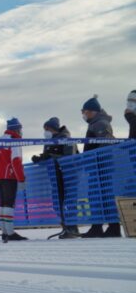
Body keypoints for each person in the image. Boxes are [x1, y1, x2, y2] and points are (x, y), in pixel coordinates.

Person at [80, 96, 120, 237]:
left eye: (84, 112)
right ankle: (98, 227)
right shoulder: (95, 123)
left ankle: (113, 227)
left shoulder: (100, 123)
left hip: (101, 166)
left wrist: (96, 160)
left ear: (92, 111)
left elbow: (106, 144)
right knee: (97, 197)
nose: (83, 115)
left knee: (103, 196)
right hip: (97, 166)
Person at [32, 117, 79, 238]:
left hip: (68, 175)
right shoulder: (49, 141)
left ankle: (72, 228)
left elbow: (69, 157)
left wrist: (49, 156)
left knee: (69, 202)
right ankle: (65, 226)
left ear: (52, 128)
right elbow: (50, 157)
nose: (45, 131)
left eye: (46, 128)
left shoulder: (66, 138)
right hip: (54, 175)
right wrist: (40, 159)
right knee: (57, 202)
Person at [0, 118, 27, 242]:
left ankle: (5, 232)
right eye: (20, 129)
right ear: (16, 129)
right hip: (8, 175)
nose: (21, 132)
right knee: (9, 203)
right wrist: (21, 179)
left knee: (2, 202)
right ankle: (10, 233)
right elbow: (16, 161)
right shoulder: (14, 140)